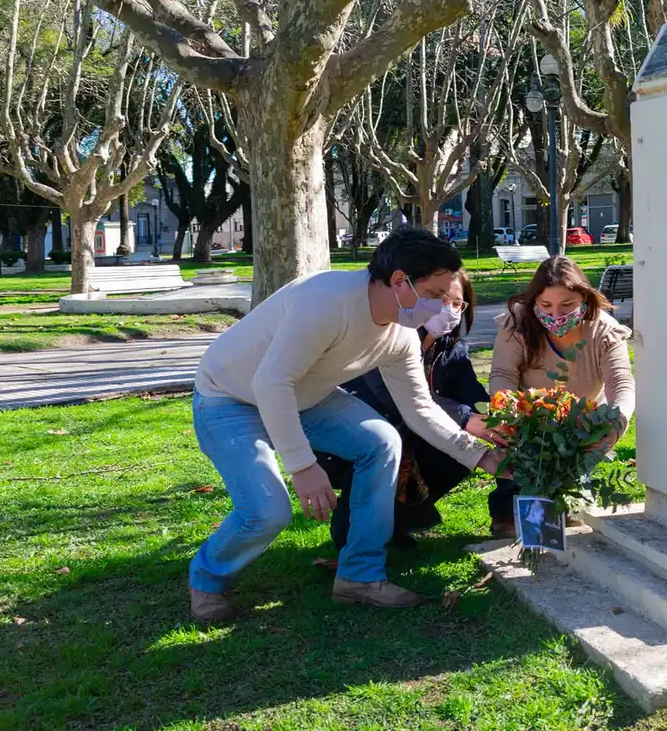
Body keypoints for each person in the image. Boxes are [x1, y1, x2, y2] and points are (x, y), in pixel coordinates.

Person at [186, 229, 505, 620]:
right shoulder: (327, 301)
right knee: (268, 513)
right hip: (229, 397)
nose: (444, 307)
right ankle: (206, 578)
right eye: (437, 294)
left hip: (305, 397)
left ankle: (360, 576)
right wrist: (303, 466)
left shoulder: (399, 334)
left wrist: (482, 457)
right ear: (400, 281)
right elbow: (271, 383)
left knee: (383, 441)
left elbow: (419, 408)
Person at [316, 269, 505, 552]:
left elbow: (471, 395)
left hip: (416, 432)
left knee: (455, 453)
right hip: (359, 432)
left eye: (458, 304)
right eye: (441, 298)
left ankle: (396, 523)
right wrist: (466, 419)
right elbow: (397, 394)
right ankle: (352, 534)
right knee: (390, 443)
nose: (450, 310)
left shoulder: (452, 348)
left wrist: (500, 419)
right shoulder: (390, 335)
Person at [487, 256, 635, 537]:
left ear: (584, 298)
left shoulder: (603, 330)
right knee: (516, 495)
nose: (556, 315)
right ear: (534, 303)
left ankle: (565, 513)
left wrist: (617, 420)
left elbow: (620, 381)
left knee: (571, 514)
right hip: (527, 426)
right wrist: (506, 411)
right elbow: (502, 374)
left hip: (581, 430)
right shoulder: (517, 323)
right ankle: (507, 517)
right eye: (546, 306)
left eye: (567, 305)